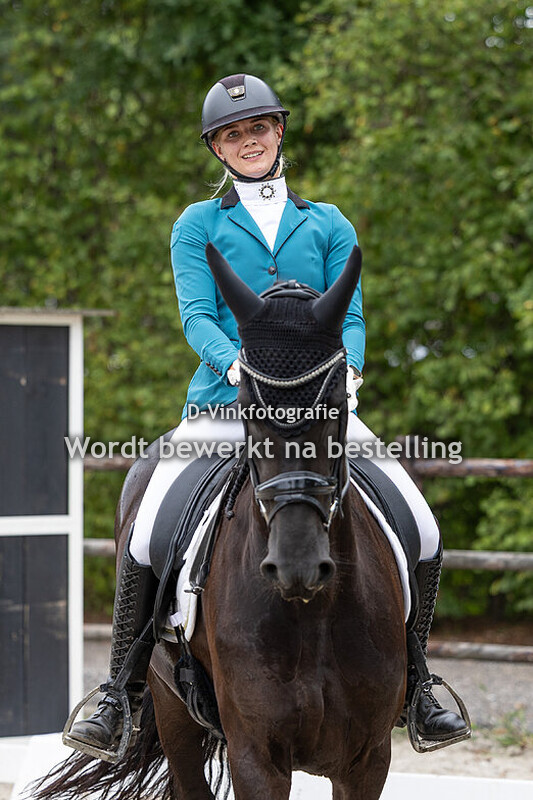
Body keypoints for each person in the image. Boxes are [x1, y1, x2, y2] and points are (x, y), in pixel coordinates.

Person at [67, 74, 469, 758]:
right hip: (227, 404)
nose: (246, 141)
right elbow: (197, 315)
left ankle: (419, 684)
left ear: (278, 131)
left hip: (318, 408)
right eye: (231, 134)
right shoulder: (199, 224)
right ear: (216, 149)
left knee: (421, 525)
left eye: (256, 128)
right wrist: (241, 369)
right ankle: (119, 692)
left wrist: (349, 372)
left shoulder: (329, 223)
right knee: (145, 532)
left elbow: (354, 317)